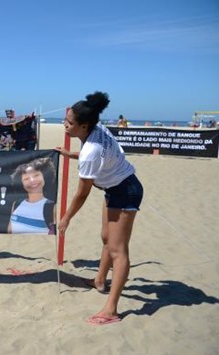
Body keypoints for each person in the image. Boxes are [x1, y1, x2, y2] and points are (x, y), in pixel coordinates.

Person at [55, 91, 143, 326]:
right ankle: (100, 281)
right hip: (115, 188)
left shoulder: (90, 151)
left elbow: (82, 193)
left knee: (118, 249)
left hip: (126, 190)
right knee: (106, 237)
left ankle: (111, 309)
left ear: (84, 126)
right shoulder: (96, 129)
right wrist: (68, 154)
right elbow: (91, 155)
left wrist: (65, 218)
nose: (65, 124)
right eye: (66, 119)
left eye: (70, 123)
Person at [8, 157, 57, 234]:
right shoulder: (17, 204)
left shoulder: (52, 207)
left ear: (44, 177)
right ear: (21, 184)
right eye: (26, 179)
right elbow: (10, 231)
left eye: (36, 175)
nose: (32, 181)